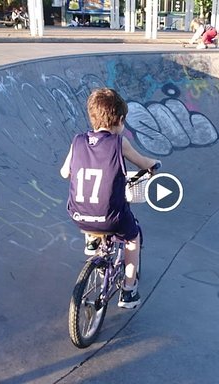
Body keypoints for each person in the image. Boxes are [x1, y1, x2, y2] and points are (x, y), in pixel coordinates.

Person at [60, 88, 160, 309]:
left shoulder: (77, 141)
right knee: (132, 237)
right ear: (121, 120)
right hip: (111, 218)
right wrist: (153, 165)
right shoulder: (119, 142)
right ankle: (128, 290)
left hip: (77, 215)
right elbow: (143, 163)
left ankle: (92, 240)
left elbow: (64, 173)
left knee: (88, 205)